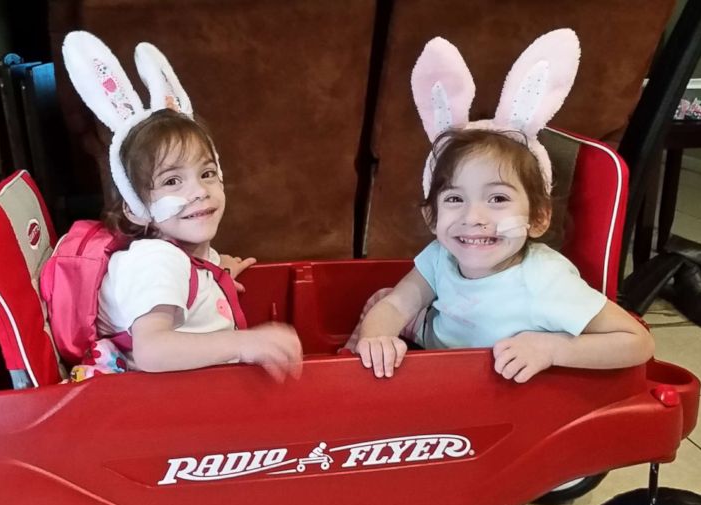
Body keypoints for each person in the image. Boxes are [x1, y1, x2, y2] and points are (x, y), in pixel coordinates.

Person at [347, 30, 654, 382]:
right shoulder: (440, 256)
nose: (473, 217)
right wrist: (377, 338)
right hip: (437, 353)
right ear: (432, 217)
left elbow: (636, 342)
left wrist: (552, 349)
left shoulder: (545, 282)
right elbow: (397, 305)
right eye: (454, 199)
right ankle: (376, 354)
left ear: (537, 219)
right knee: (383, 302)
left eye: (497, 199)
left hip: (497, 385)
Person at [61, 32, 302, 382]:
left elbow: (188, 280)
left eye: (207, 173)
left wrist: (217, 273)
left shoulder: (185, 253)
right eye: (173, 181)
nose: (199, 192)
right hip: (162, 417)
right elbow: (152, 350)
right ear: (136, 208)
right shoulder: (156, 262)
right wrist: (244, 343)